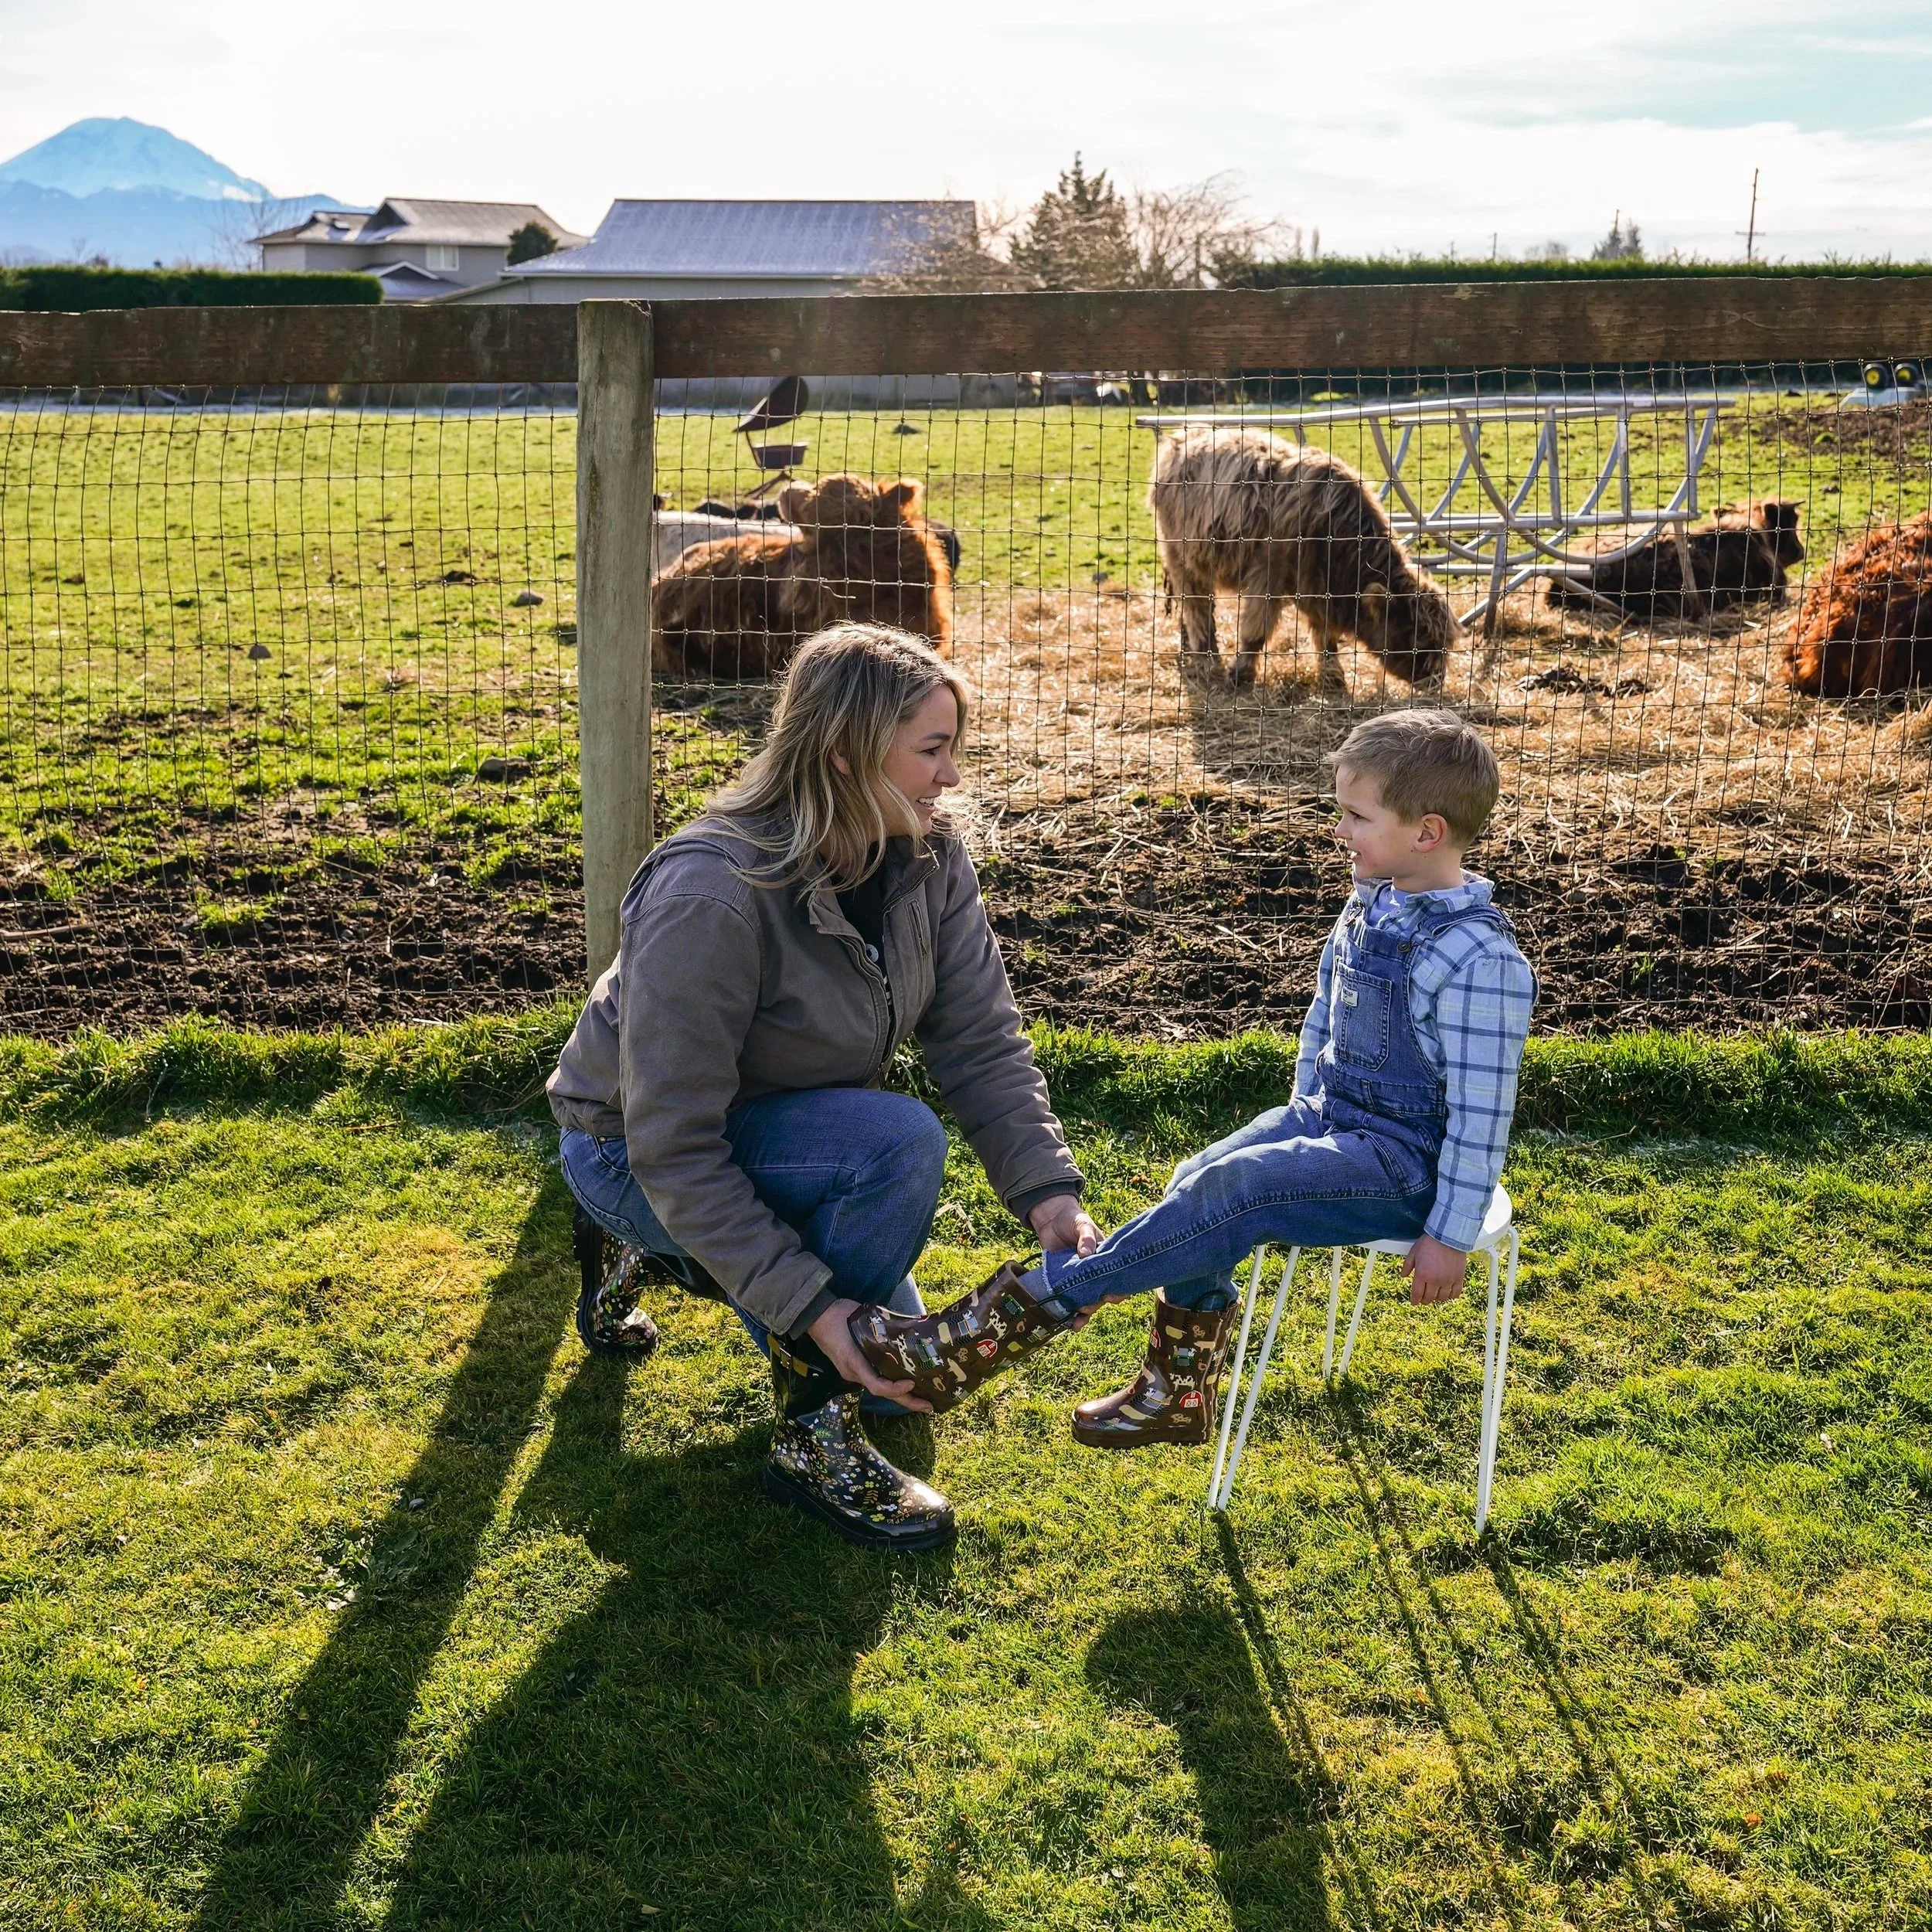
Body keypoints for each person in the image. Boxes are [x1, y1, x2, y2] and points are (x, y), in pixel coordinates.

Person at [545, 624, 1099, 1552]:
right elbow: (674, 1141)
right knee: (896, 1150)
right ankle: (809, 1431)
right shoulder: (709, 895)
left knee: (908, 1376)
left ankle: (686, 1260)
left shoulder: (927, 859)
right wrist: (814, 1312)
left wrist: (1049, 1194)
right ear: (844, 758)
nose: (952, 777)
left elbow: (980, 1039)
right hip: (629, 1148)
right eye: (931, 750)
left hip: (783, 1126)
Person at [853, 707, 1536, 1449]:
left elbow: (1481, 1112)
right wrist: (1304, 1110)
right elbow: (1324, 1019)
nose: (1340, 830)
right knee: (1200, 1174)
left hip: (1411, 1167)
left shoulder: (1481, 961)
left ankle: (1022, 1309)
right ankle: (1176, 1389)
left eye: (1356, 816)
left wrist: (1449, 1233)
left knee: (1241, 1190)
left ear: (1426, 833)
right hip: (1336, 1117)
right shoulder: (1374, 903)